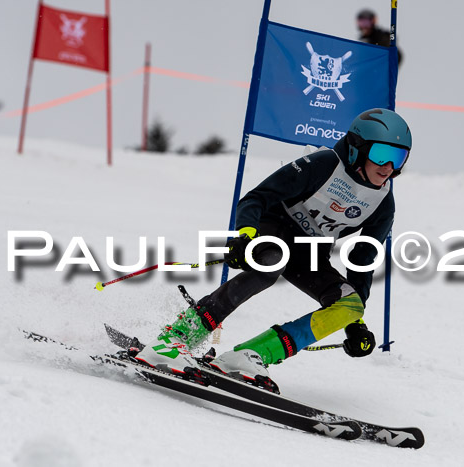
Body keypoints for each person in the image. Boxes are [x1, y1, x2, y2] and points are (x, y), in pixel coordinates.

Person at [135, 108, 412, 391]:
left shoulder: (383, 204)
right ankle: (173, 341)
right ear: (356, 149)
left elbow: (362, 259)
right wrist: (243, 237)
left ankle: (248, 356)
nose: (389, 166)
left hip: (309, 252)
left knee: (351, 304)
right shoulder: (324, 165)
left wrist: (354, 321)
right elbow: (256, 198)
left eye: (399, 157)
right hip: (274, 228)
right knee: (272, 261)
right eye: (381, 154)